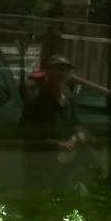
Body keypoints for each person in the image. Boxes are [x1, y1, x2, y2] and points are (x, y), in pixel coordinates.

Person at [20, 53, 93, 191]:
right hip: (41, 161)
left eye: (65, 70)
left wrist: (77, 136)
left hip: (64, 162)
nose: (62, 74)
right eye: (58, 69)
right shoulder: (37, 100)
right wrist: (57, 144)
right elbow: (26, 131)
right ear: (48, 72)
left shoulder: (68, 98)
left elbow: (76, 122)